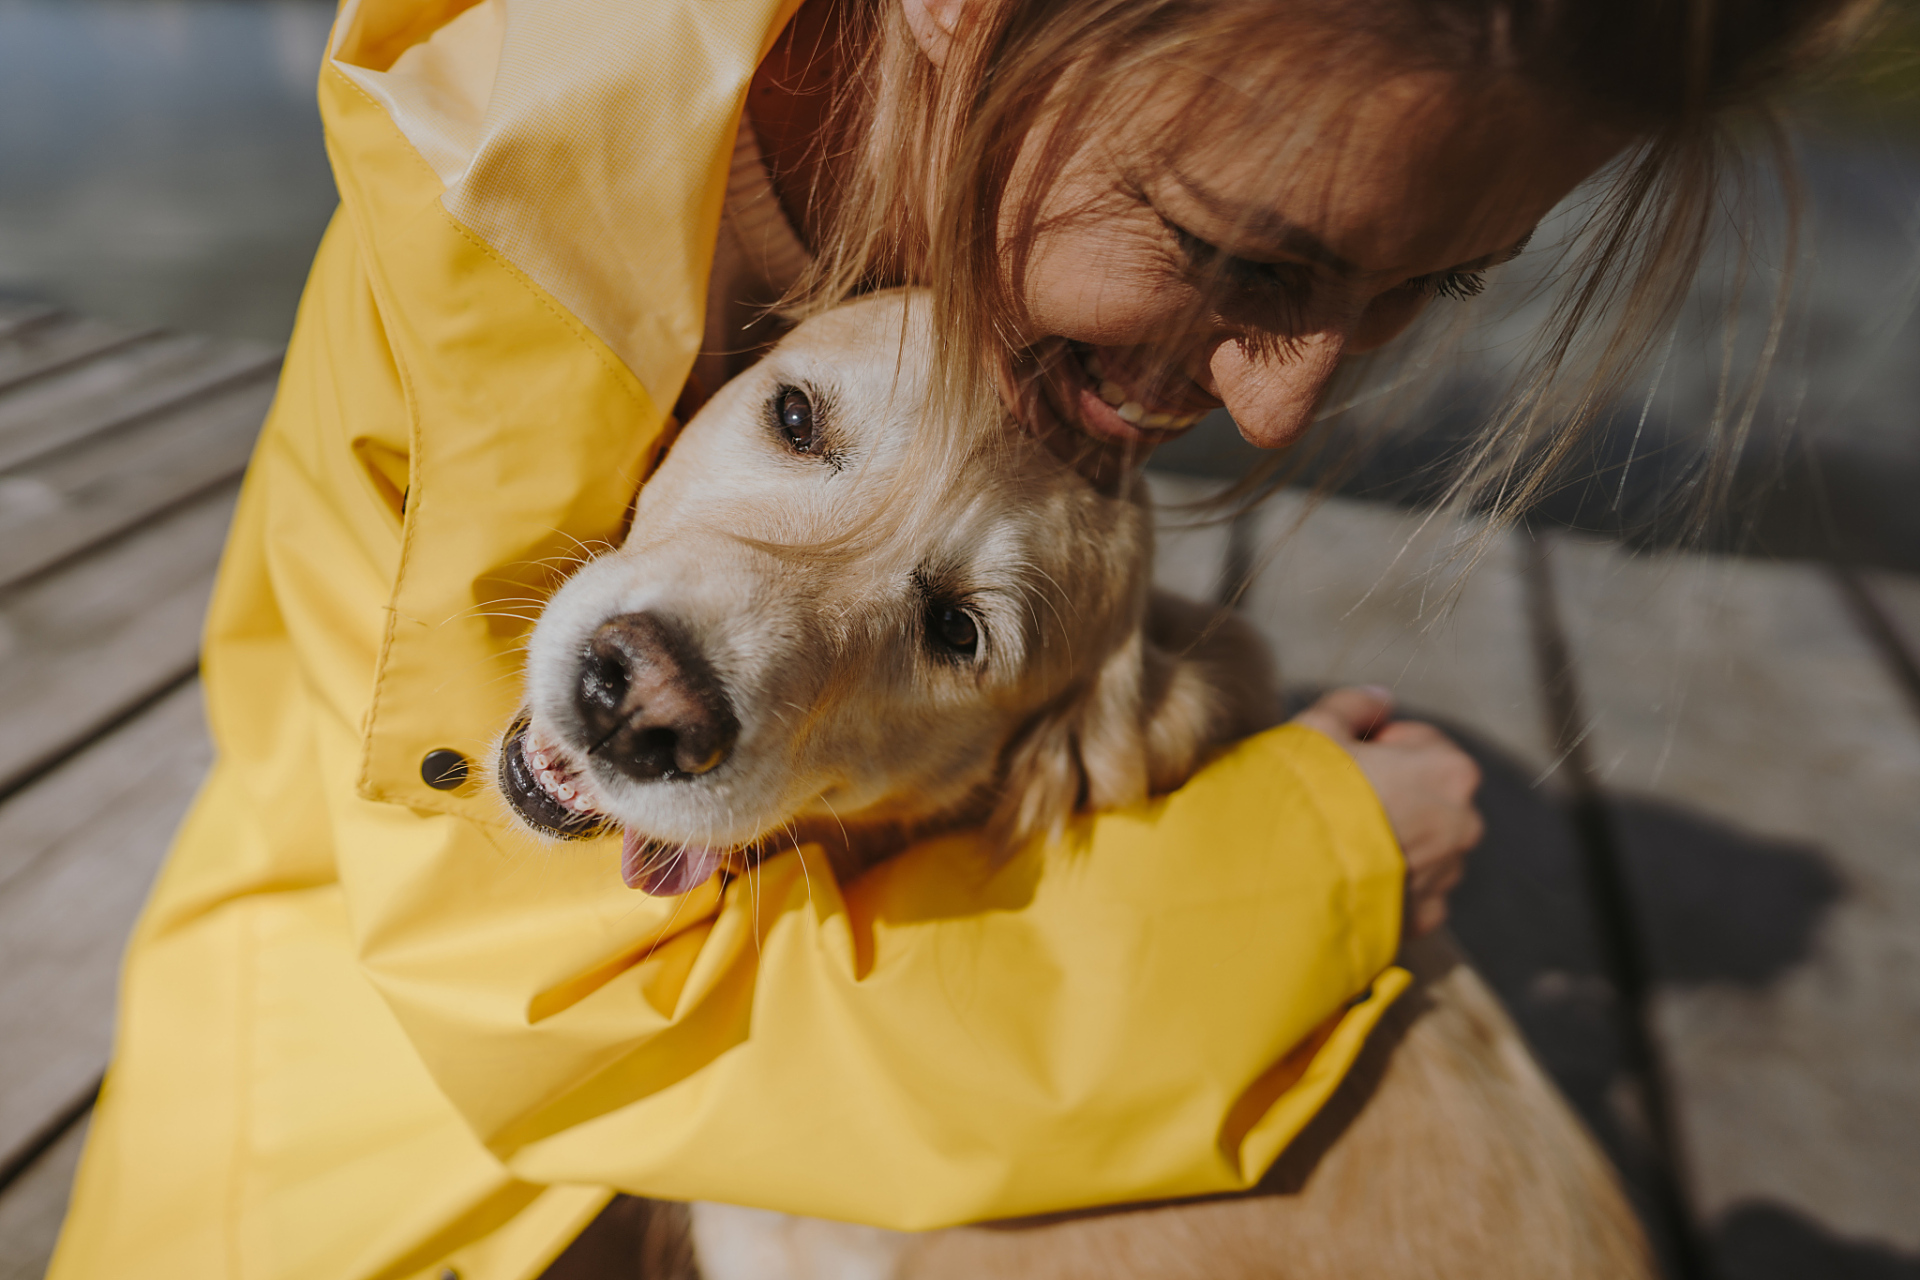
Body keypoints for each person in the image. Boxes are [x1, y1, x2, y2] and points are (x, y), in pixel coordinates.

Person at [49, 0, 1868, 1277]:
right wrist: (1313, 872)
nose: (1292, 403)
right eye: (1246, 252)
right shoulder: (495, 204)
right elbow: (543, 1012)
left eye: (1427, 284)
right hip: (340, 1170)